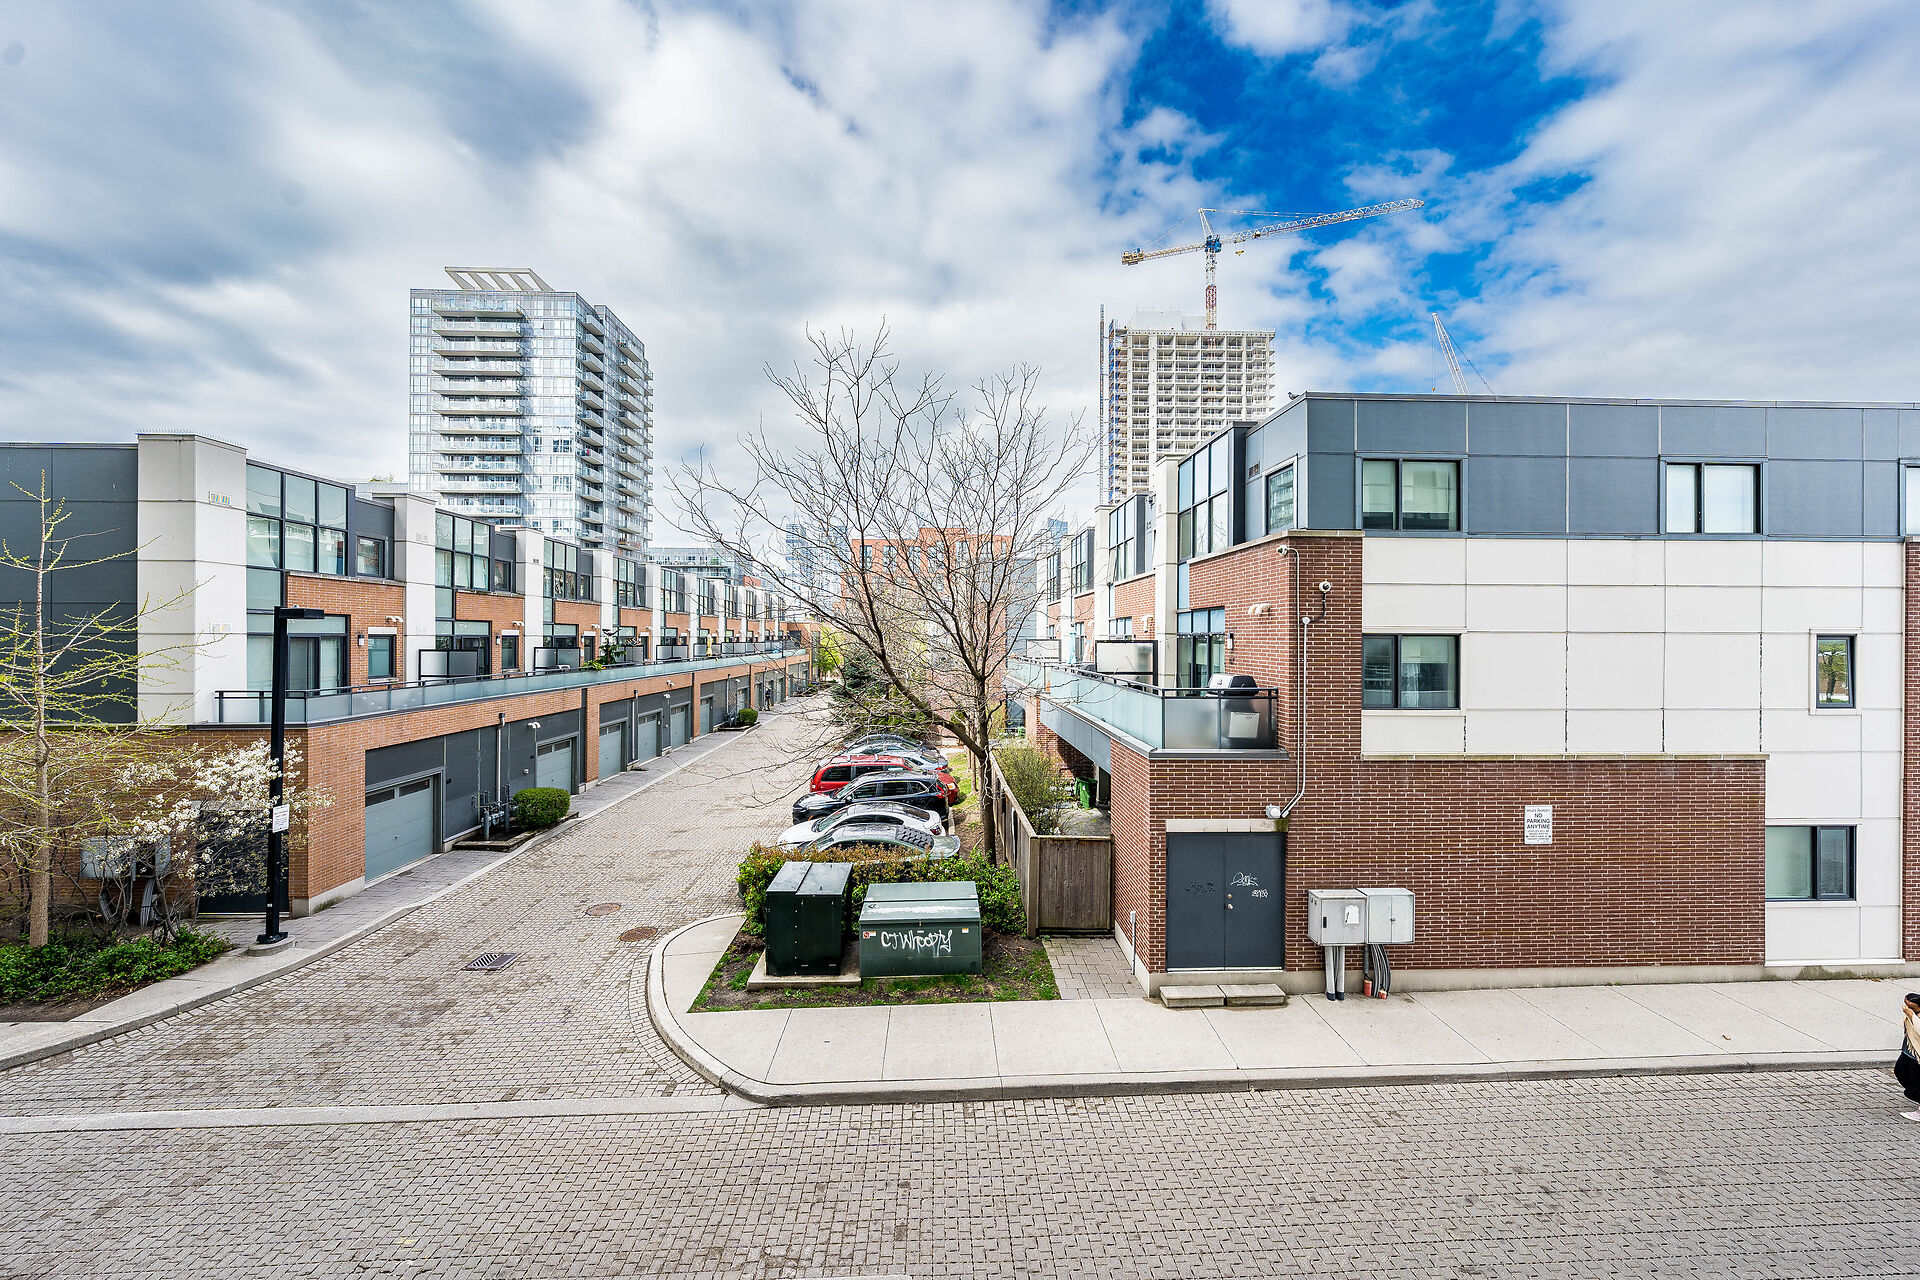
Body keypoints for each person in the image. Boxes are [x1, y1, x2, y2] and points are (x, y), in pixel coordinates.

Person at [1898, 993, 1920, 1121]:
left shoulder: (1914, 1016)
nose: (1907, 1008)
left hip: (1917, 1056)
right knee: (1900, 1072)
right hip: (1908, 1052)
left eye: (1912, 1007)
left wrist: (1911, 1015)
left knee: (1917, 1083)